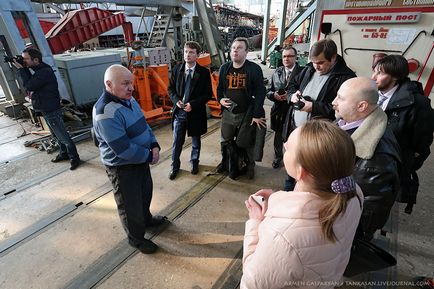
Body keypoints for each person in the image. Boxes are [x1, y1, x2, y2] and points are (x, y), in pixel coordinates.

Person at [241, 120, 362, 288]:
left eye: (288, 147)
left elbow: (252, 283)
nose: (284, 145)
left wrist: (255, 223)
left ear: (300, 171)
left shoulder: (282, 238)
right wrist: (280, 199)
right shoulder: (352, 192)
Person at [92, 64, 166, 254]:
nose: (131, 88)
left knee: (144, 194)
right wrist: (149, 155)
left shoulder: (128, 99)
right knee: (129, 205)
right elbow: (123, 149)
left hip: (140, 160)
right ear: (109, 84)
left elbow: (143, 125)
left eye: (131, 83)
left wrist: (153, 144)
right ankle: (136, 239)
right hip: (122, 168)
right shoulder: (105, 113)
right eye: (125, 84)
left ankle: (147, 219)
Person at [282, 38, 356, 190]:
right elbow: (292, 85)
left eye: (321, 62)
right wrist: (292, 96)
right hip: (296, 128)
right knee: (293, 166)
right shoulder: (309, 68)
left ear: (333, 57)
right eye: (314, 62)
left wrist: (314, 107)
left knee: (311, 172)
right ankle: (290, 189)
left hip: (317, 137)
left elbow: (343, 111)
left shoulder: (346, 78)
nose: (316, 66)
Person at [332, 77, 401, 240]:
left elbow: (367, 215)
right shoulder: (347, 122)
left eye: (340, 98)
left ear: (362, 106)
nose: (333, 102)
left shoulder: (377, 160)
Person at [372, 55, 433, 214]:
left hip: (392, 168)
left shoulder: (418, 104)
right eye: (374, 71)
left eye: (380, 73)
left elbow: (422, 143)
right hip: (369, 164)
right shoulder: (372, 94)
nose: (373, 77)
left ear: (396, 77)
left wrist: (404, 166)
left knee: (380, 206)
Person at [14, 47, 80, 170]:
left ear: (36, 60)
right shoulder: (38, 69)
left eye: (26, 59)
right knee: (56, 135)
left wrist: (22, 70)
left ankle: (74, 158)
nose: (24, 62)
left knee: (63, 136)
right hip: (46, 107)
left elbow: (29, 86)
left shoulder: (44, 72)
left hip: (51, 109)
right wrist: (24, 68)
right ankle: (64, 153)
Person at [216, 37, 266, 180]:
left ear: (246, 51)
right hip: (228, 113)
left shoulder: (254, 69)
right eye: (233, 48)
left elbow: (260, 92)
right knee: (225, 141)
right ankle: (226, 163)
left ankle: (250, 166)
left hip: (247, 113)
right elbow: (219, 89)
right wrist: (220, 100)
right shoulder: (224, 68)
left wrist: (256, 114)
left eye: (239, 48)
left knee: (246, 142)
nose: (235, 51)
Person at [168, 41, 212, 180]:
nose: (187, 55)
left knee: (195, 141)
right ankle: (174, 166)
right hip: (180, 112)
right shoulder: (177, 70)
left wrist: (193, 104)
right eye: (186, 52)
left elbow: (207, 94)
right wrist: (177, 101)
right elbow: (171, 89)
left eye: (191, 52)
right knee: (177, 142)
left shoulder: (204, 73)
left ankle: (194, 162)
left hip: (195, 112)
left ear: (197, 55)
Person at [266, 45, 302, 169]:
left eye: (290, 56)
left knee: (294, 136)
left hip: (294, 111)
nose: (286, 59)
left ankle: (293, 159)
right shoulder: (277, 72)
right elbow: (269, 91)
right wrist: (274, 95)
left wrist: (291, 97)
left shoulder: (302, 73)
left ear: (296, 57)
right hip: (279, 110)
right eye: (284, 56)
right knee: (278, 135)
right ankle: (278, 157)